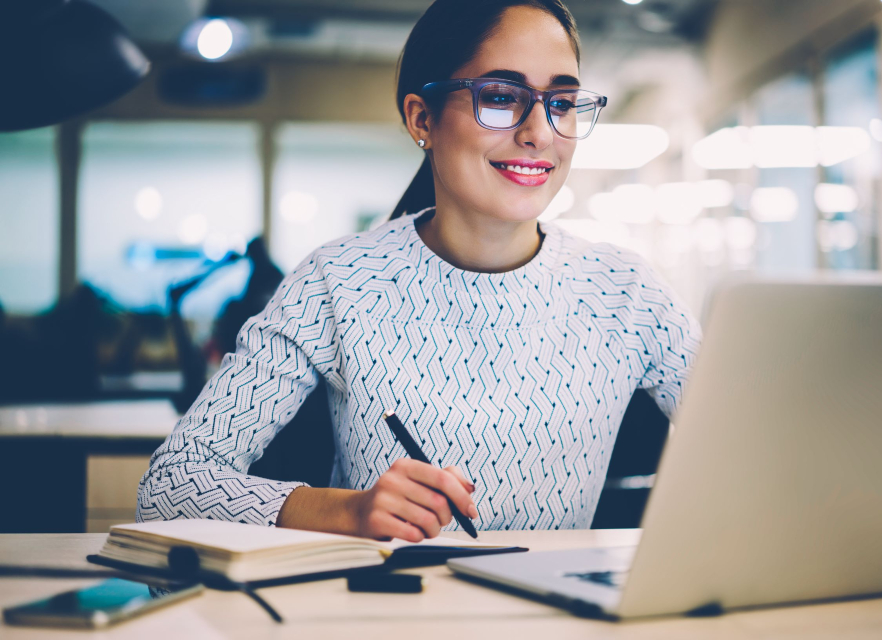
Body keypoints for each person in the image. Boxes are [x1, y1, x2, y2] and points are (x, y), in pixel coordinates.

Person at [137, 0, 702, 542]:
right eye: (502, 96)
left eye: (561, 103)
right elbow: (170, 484)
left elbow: (765, 451)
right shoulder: (340, 282)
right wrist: (344, 510)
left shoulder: (626, 293)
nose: (540, 132)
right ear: (422, 118)